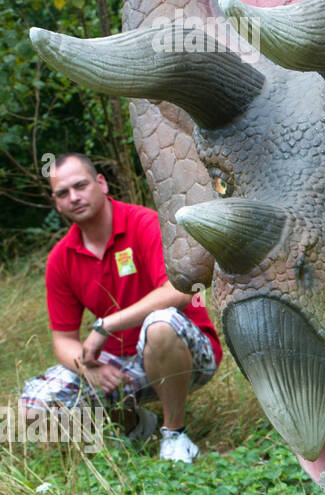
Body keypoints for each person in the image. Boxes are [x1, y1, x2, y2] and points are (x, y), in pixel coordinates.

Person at [19, 153, 222, 463]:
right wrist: (87, 368)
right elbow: (63, 339)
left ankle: (175, 436)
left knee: (161, 322)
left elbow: (180, 292)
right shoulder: (61, 258)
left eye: (80, 186)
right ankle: (134, 423)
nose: (74, 197)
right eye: (63, 193)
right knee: (29, 410)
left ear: (101, 184)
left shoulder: (144, 223)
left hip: (186, 351)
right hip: (119, 366)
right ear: (56, 203)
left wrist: (105, 325)